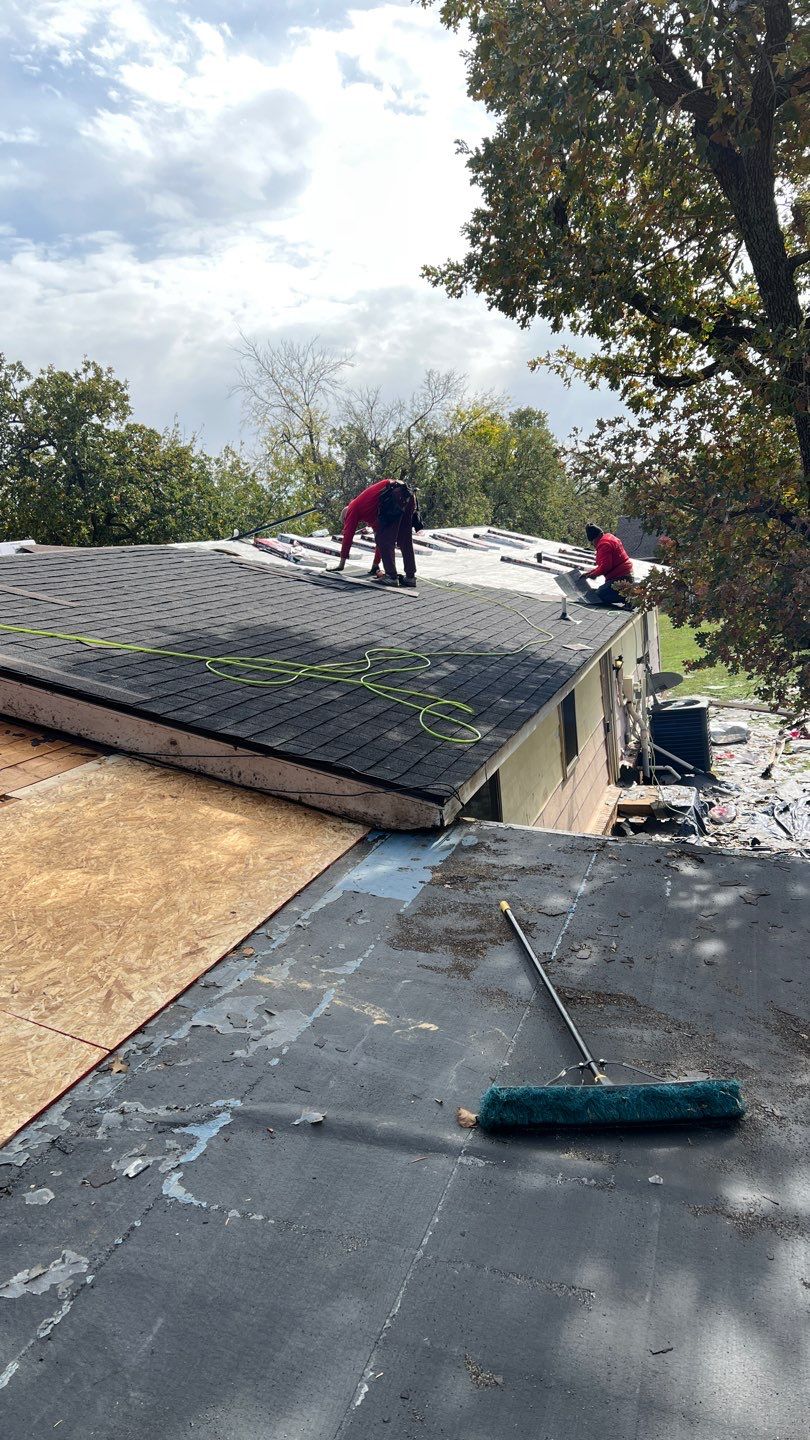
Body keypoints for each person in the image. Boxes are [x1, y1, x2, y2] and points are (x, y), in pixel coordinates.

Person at [333, 478, 420, 587]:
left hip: (396, 495)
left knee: (385, 539)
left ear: (346, 516)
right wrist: (375, 564)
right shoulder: (368, 508)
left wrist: (341, 564)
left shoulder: (352, 508)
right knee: (404, 539)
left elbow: (348, 536)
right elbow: (378, 537)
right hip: (408, 495)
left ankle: (391, 577)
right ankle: (410, 577)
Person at [578, 523, 634, 605]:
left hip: (620, 580)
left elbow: (606, 566)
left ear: (594, 539)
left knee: (598, 596)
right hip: (626, 577)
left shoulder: (604, 545)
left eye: (592, 543)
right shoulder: (609, 538)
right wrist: (589, 573)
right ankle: (627, 594)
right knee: (596, 593)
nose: (593, 545)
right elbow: (604, 565)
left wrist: (594, 575)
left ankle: (628, 596)